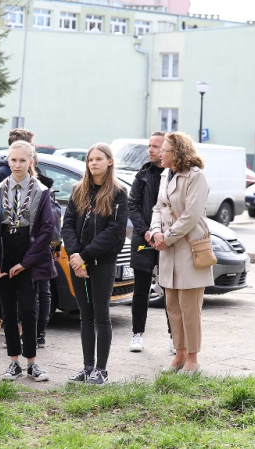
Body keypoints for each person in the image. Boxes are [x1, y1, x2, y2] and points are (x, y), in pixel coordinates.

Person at [0, 140, 56, 381]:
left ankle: (32, 363)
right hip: (5, 256)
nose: (17, 164)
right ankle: (13, 362)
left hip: (29, 257)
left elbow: (47, 229)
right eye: (13, 160)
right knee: (7, 311)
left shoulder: (40, 190)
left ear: (31, 162)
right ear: (8, 160)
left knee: (28, 310)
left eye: (22, 160)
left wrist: (26, 263)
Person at [62, 143, 128, 385]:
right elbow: (67, 225)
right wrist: (74, 255)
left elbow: (114, 232)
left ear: (110, 161)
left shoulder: (118, 193)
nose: (93, 163)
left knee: (102, 316)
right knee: (85, 316)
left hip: (101, 262)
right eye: (90, 160)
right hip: (78, 262)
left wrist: (85, 256)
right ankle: (87, 367)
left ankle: (101, 370)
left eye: (99, 159)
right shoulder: (79, 190)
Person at [150, 132, 214, 375]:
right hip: (169, 249)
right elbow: (158, 207)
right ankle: (178, 354)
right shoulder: (166, 175)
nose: (159, 153)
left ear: (176, 153)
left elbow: (191, 215)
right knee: (173, 306)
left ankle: (192, 359)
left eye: (164, 150)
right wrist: (156, 231)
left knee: (190, 308)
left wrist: (166, 237)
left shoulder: (196, 177)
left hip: (189, 249)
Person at [127, 131, 173, 353]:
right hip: (144, 240)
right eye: (150, 146)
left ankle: (175, 337)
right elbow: (132, 205)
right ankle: (137, 334)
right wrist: (146, 231)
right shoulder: (142, 175)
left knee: (170, 291)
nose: (151, 150)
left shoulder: (175, 175)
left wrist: (164, 234)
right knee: (141, 290)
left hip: (168, 240)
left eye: (156, 146)